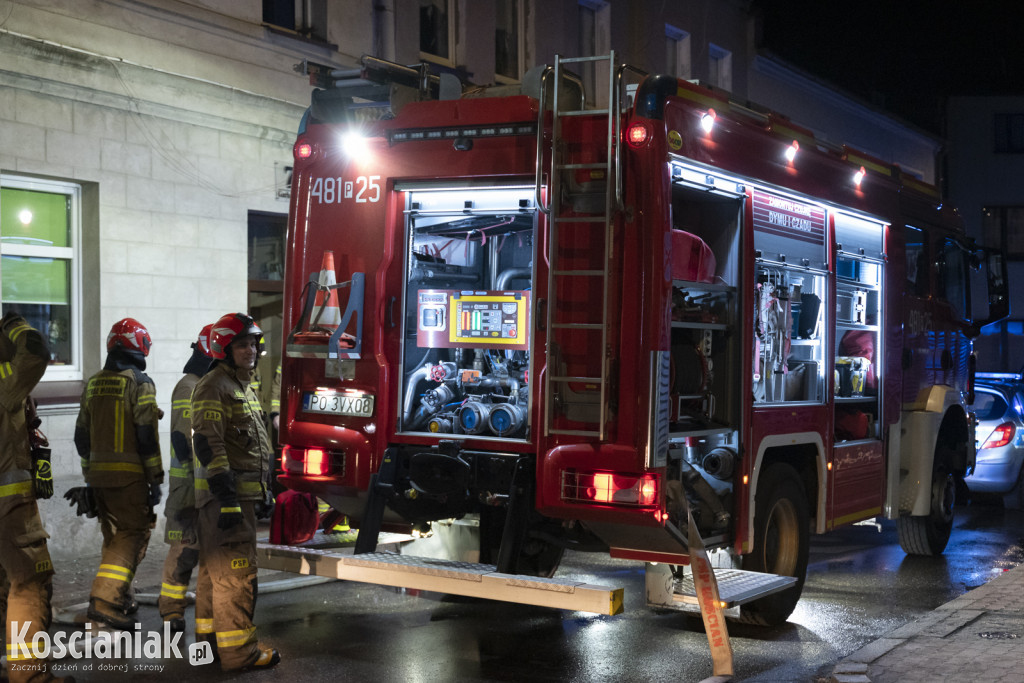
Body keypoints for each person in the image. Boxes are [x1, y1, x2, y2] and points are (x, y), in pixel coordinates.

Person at [192, 312, 279, 671]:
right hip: (226, 500)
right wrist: (228, 499)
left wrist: (264, 492)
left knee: (216, 573)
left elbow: (252, 446)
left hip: (239, 498)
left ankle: (210, 646)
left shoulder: (242, 386)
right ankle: (239, 653)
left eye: (254, 344)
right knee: (237, 575)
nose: (252, 350)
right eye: (242, 344)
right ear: (224, 349)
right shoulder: (215, 385)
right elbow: (208, 443)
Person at [74, 318, 162, 630]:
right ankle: (106, 601)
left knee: (113, 540)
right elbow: (146, 436)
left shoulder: (94, 383)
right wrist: (155, 478)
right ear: (138, 345)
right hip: (130, 479)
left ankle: (119, 597)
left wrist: (88, 479)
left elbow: (81, 438)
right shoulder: (140, 383)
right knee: (132, 535)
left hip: (99, 480)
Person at [0, 313, 70, 683]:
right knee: (30, 579)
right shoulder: (5, 382)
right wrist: (13, 322)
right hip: (8, 504)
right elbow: (36, 349)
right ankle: (28, 675)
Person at [157, 324, 214, 637]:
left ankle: (204, 621)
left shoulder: (207, 386)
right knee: (183, 549)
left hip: (204, 485)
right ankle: (171, 613)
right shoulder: (188, 386)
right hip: (187, 486)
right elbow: (182, 437)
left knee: (205, 551)